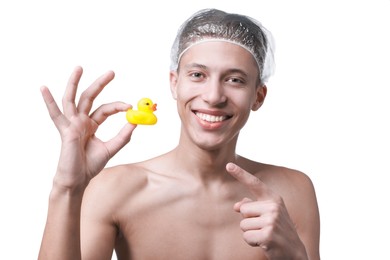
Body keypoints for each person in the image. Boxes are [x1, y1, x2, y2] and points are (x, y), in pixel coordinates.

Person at [38, 8, 320, 260]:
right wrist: (67, 189)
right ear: (175, 83)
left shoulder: (291, 191)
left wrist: (294, 256)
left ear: (258, 96)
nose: (213, 96)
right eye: (198, 75)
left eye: (234, 80)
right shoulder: (115, 189)